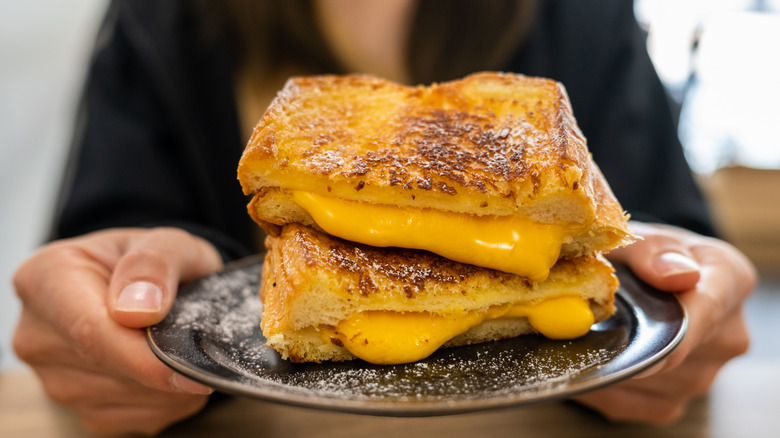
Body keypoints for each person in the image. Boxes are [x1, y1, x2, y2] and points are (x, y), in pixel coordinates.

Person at [12, 0, 756, 435]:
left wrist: (689, 289)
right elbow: (110, 234)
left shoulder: (587, 14)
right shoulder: (161, 16)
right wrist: (108, 305)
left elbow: (663, 226)